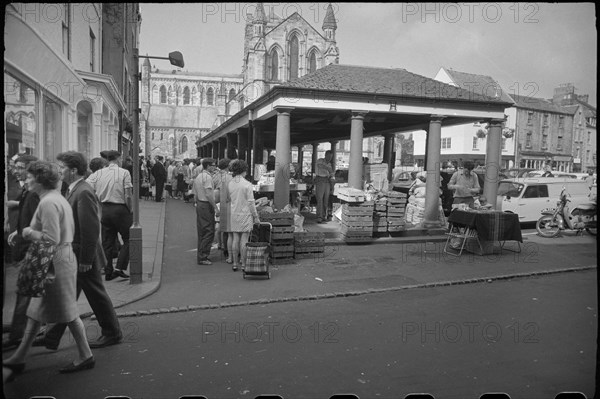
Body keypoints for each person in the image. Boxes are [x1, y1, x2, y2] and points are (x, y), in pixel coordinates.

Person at [3, 161, 95, 376]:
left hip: (55, 262)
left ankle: (85, 355)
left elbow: (51, 238)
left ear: (40, 180)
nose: (26, 180)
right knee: (36, 312)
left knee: (68, 313)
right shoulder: (55, 199)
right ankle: (20, 356)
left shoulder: (48, 203)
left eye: (30, 177)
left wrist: (27, 232)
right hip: (59, 259)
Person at [32, 152, 123, 351]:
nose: (59, 171)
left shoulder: (83, 191)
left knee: (96, 295)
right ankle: (51, 336)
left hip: (82, 255)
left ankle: (112, 333)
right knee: (67, 295)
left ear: (73, 170)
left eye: (62, 167)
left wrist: (86, 259)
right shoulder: (73, 189)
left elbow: (90, 229)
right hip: (74, 254)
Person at [3, 155, 40, 350]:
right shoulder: (28, 189)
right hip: (27, 247)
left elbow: (37, 221)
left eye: (19, 167)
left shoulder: (34, 192)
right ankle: (26, 334)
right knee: (30, 295)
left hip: (31, 250)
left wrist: (24, 233)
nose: (15, 169)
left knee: (25, 294)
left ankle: (18, 337)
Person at [86, 150, 133, 281]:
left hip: (105, 209)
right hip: (120, 209)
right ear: (118, 159)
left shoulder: (98, 173)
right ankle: (119, 268)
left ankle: (108, 271)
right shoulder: (124, 172)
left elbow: (87, 186)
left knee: (108, 242)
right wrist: (130, 209)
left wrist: (98, 198)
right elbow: (128, 194)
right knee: (130, 238)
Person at [226, 159, 259, 271]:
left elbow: (229, 199)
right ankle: (244, 264)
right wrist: (256, 216)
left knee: (235, 238)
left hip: (234, 213)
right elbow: (251, 202)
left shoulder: (230, 183)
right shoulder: (247, 184)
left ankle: (235, 263)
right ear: (244, 170)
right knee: (244, 239)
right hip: (245, 214)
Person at [192, 158, 219, 265]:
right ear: (208, 166)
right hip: (206, 204)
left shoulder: (199, 176)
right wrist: (215, 207)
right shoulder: (207, 177)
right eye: (213, 165)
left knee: (202, 231)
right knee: (209, 231)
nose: (215, 167)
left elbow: (195, 193)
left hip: (199, 203)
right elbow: (208, 194)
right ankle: (203, 256)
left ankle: (201, 255)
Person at [213, 158, 232, 261]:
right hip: (224, 203)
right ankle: (227, 250)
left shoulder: (216, 175)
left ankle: (220, 245)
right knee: (227, 230)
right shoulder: (227, 177)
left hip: (218, 202)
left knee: (220, 226)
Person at [314, 150, 334, 223]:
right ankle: (319, 216)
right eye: (328, 156)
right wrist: (328, 169)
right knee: (320, 199)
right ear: (325, 155)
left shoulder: (330, 164)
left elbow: (331, 173)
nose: (329, 158)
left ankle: (323, 216)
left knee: (326, 200)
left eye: (331, 157)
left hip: (327, 181)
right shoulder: (320, 160)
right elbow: (320, 166)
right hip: (320, 180)